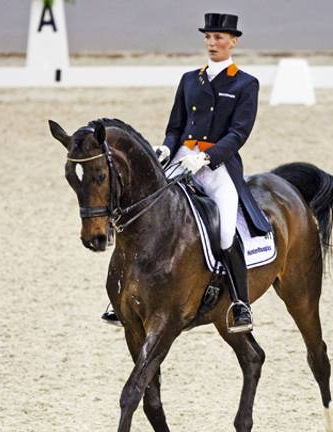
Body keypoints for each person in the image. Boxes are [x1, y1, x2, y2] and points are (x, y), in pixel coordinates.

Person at [103, 12, 266, 333]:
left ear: (233, 41)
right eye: (208, 37)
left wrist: (206, 156)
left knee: (224, 228)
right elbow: (176, 125)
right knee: (139, 212)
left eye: (219, 38)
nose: (212, 43)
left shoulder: (245, 83)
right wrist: (165, 148)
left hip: (217, 167)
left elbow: (238, 133)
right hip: (180, 158)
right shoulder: (191, 79)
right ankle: (120, 293)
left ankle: (239, 304)